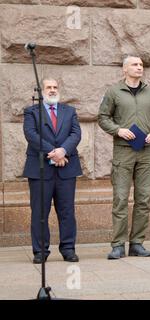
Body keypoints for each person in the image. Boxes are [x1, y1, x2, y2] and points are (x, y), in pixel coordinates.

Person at [98, 54, 150, 259]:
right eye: (135, 65)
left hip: (146, 151)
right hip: (123, 151)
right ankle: (118, 244)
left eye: (141, 65)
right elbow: (102, 117)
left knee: (143, 199)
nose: (139, 68)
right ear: (124, 69)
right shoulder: (113, 92)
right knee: (120, 198)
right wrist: (118, 130)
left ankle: (137, 243)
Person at [23, 78, 82, 264]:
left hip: (67, 168)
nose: (52, 90)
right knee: (40, 212)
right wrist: (53, 153)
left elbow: (76, 134)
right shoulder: (31, 112)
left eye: (55, 87)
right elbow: (31, 135)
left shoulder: (69, 111)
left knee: (66, 211)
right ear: (41, 91)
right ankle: (40, 251)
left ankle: (68, 249)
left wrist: (63, 151)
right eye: (48, 87)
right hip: (40, 169)